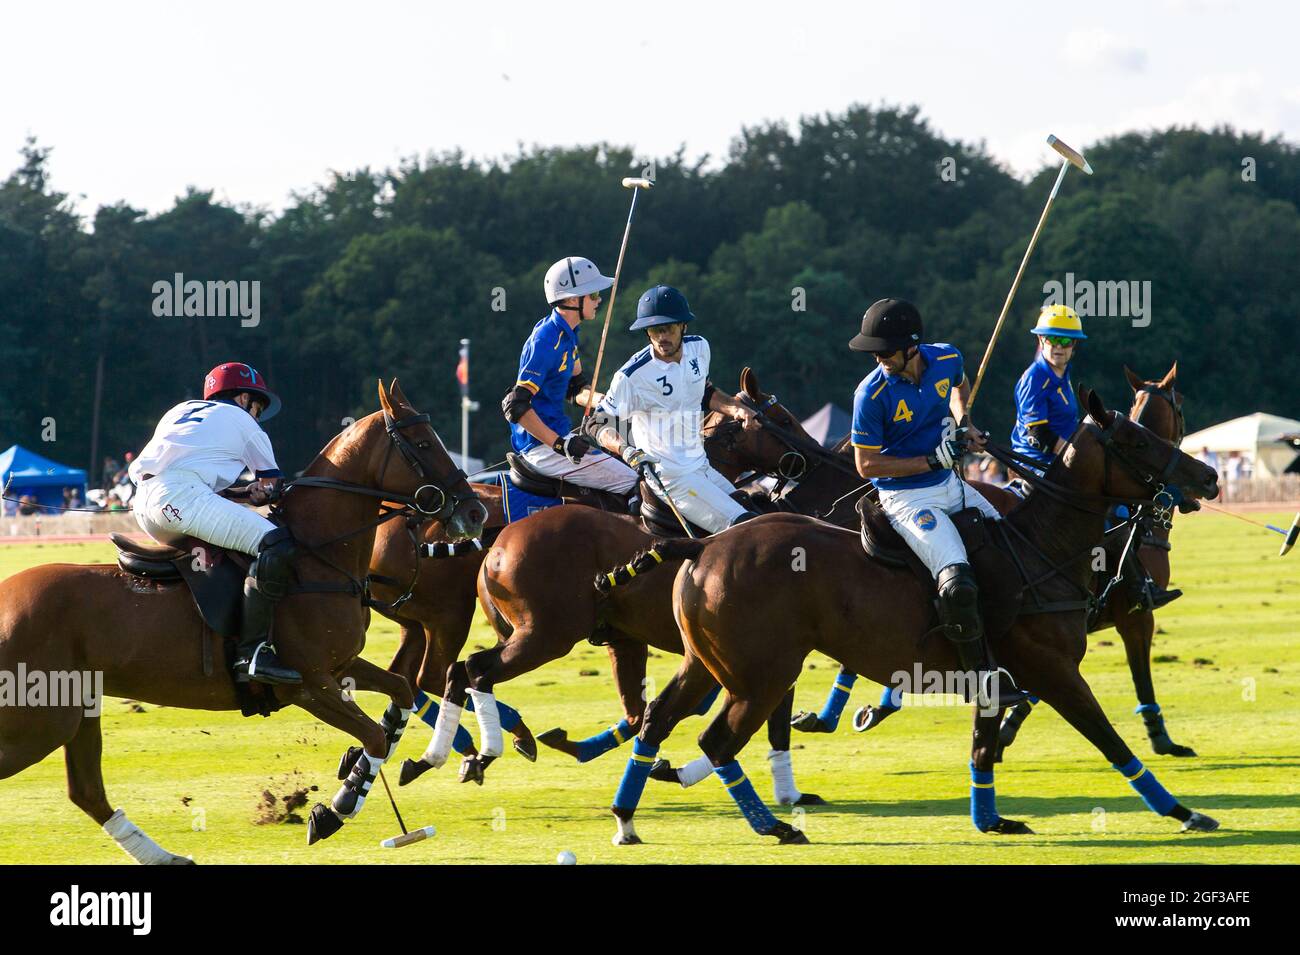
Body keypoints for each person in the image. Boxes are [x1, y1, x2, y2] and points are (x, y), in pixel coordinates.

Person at [848, 297, 1028, 709]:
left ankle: (1022, 649)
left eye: (885, 350)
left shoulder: (947, 357)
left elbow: (960, 385)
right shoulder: (871, 394)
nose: (879, 358)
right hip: (906, 498)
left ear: (912, 345)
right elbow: (865, 464)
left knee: (1013, 546)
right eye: (873, 351)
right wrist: (930, 459)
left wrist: (963, 421)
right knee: (958, 580)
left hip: (952, 485)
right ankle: (980, 680)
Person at [129, 363, 300, 686]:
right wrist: (260, 494)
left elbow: (196, 478)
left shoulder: (180, 410)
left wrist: (242, 494)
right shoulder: (242, 420)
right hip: (183, 499)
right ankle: (252, 654)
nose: (257, 415)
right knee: (275, 543)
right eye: (258, 408)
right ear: (244, 397)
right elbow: (272, 484)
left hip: (146, 505)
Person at [584, 285, 758, 533]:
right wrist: (625, 450)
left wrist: (736, 409)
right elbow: (596, 423)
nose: (661, 336)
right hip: (671, 478)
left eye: (668, 328)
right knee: (745, 529)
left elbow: (705, 393)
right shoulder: (632, 376)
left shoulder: (699, 348)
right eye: (655, 330)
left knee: (763, 516)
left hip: (701, 466)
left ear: (683, 326)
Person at [500, 256, 637, 495]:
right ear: (574, 299)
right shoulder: (546, 339)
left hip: (557, 439)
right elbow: (516, 406)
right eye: (593, 295)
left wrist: (611, 402)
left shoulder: (568, 334)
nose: (599, 300)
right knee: (633, 481)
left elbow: (576, 389)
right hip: (541, 447)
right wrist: (560, 444)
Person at [1010, 304, 1084, 476]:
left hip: (1061, 458)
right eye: (1053, 339)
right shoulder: (1034, 379)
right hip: (1035, 463)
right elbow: (1037, 433)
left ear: (1074, 345)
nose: (1059, 347)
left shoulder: (1064, 373)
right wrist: (1077, 455)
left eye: (1065, 341)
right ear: (1041, 340)